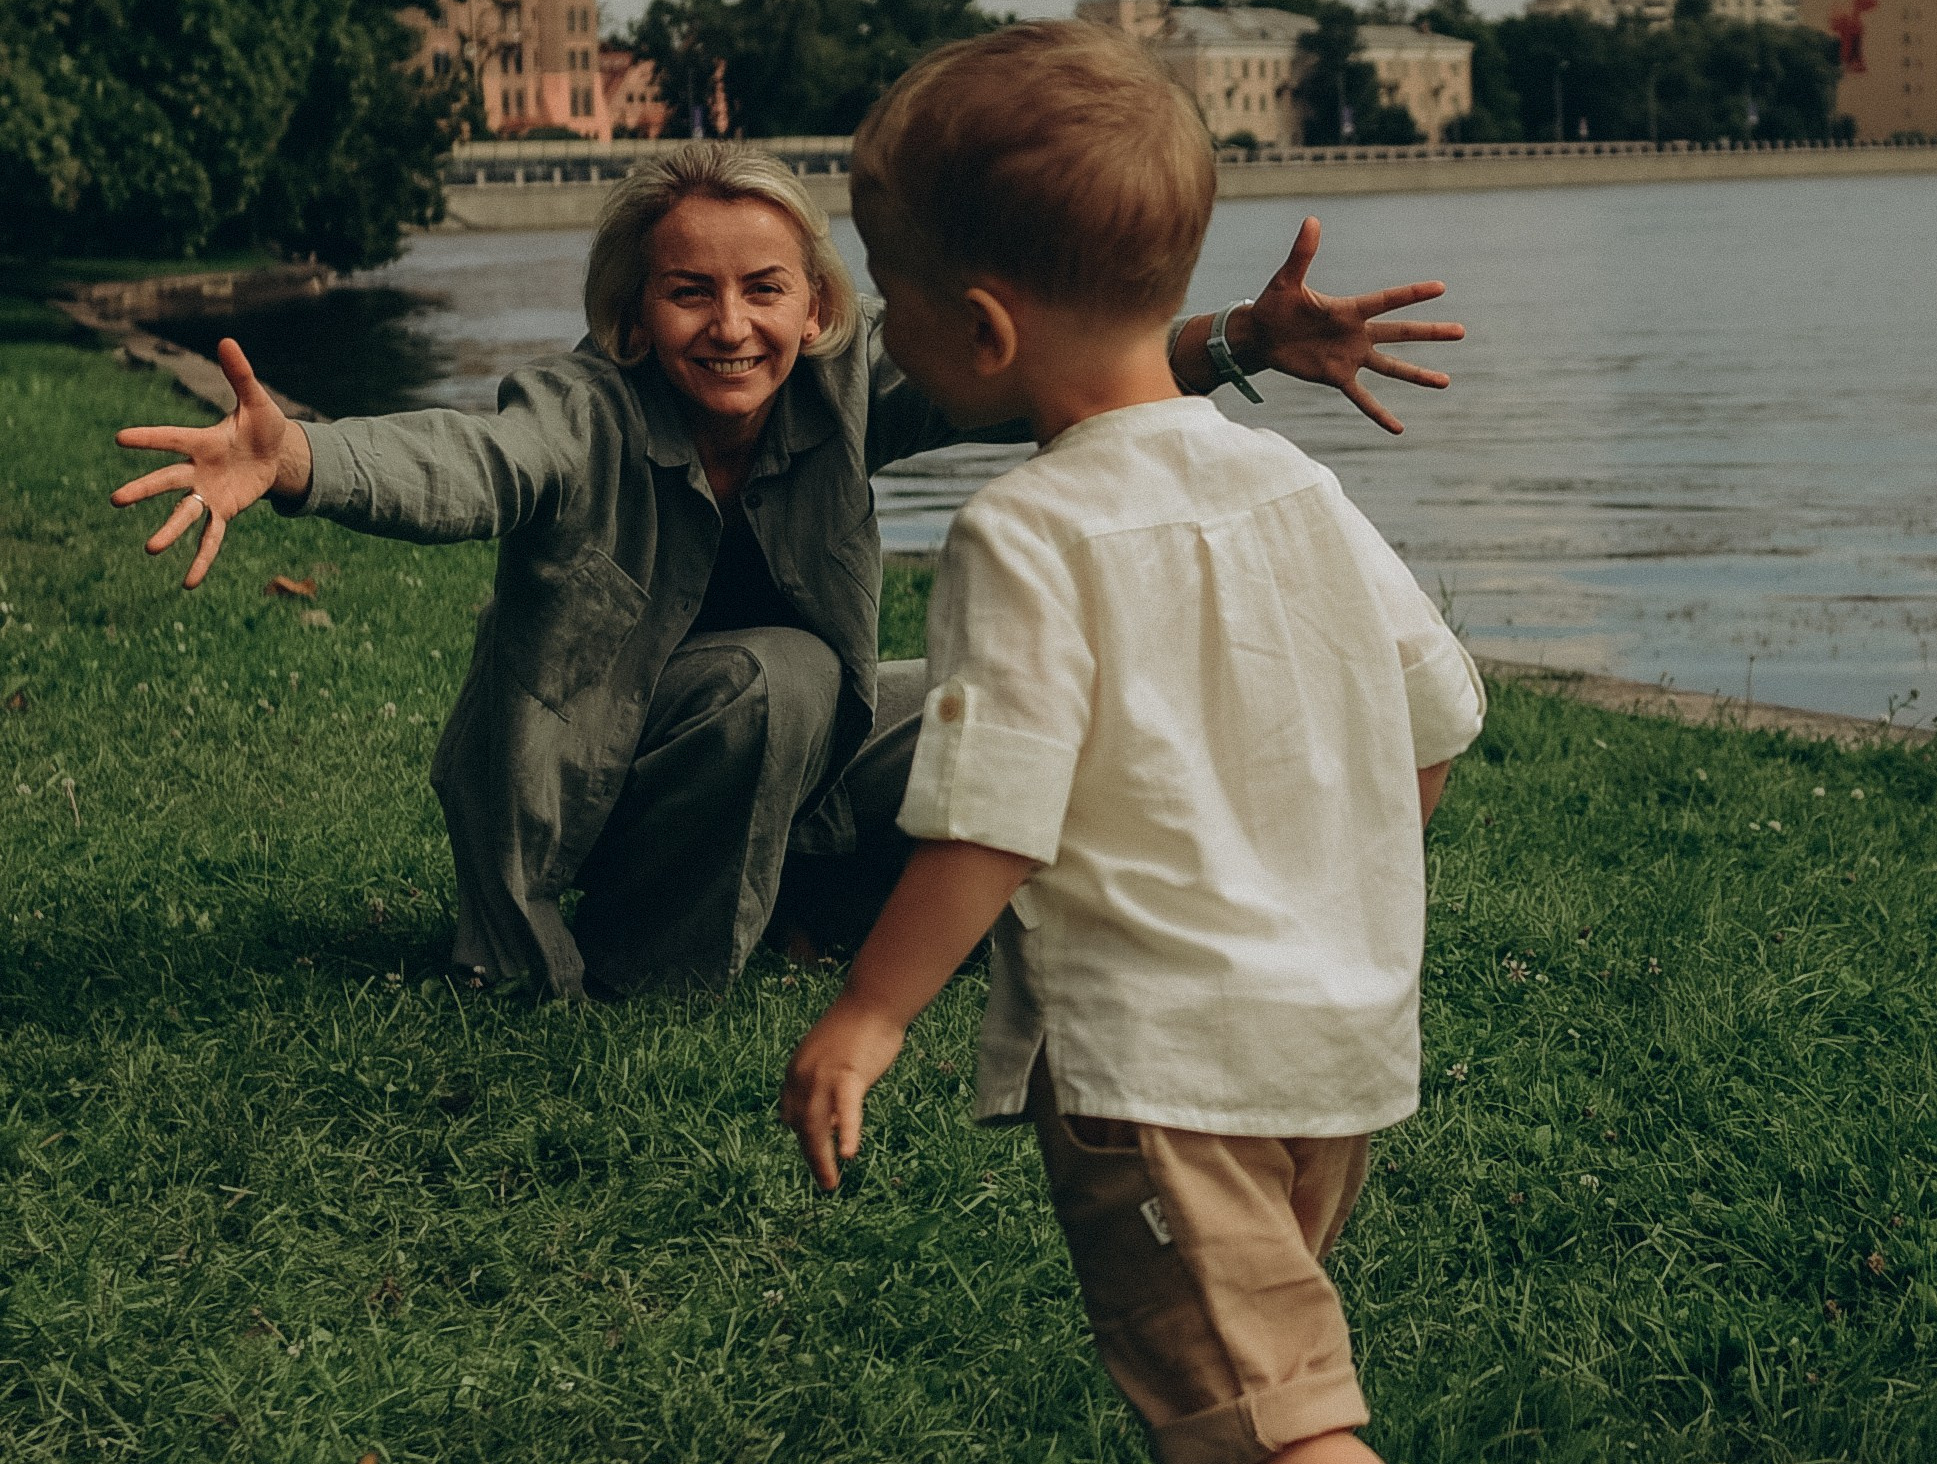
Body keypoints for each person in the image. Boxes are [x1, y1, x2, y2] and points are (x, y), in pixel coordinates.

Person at [781, 22, 1568, 1464]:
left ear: (979, 330)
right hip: (1337, 1029)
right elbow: (1435, 717)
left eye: (885, 304)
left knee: (1249, 1396)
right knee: (1269, 1350)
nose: (878, 340)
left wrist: (870, 1016)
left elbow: (985, 820)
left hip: (1163, 1054)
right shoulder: (1294, 483)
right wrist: (1319, 872)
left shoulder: (1022, 536)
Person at [112, 137, 1467, 1001]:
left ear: (817, 305)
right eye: (688, 291)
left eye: (764, 287)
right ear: (633, 318)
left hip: (792, 755)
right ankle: (672, 971)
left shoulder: (851, 390)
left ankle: (841, 904)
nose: (731, 323)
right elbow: (467, 462)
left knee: (986, 704)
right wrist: (299, 460)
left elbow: (1054, 366)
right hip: (614, 787)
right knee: (781, 678)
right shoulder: (578, 415)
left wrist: (1235, 339)